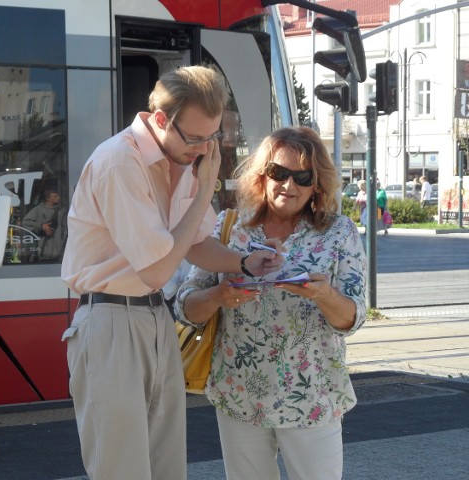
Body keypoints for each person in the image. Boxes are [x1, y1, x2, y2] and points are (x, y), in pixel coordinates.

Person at [60, 65, 284, 480]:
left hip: (153, 318)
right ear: (161, 119)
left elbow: (194, 243)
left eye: (211, 137)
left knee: (166, 469)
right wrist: (203, 191)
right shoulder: (119, 162)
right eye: (195, 138)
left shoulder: (176, 159)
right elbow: (158, 268)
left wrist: (243, 262)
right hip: (110, 317)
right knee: (121, 470)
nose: (202, 149)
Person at [174, 127, 367, 480]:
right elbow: (185, 306)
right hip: (239, 393)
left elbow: (353, 318)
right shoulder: (229, 227)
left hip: (311, 394)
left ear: (317, 184)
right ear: (262, 175)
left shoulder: (339, 232)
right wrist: (219, 296)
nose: (287, 185)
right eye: (279, 172)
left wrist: (324, 295)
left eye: (302, 176)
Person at [22, 187, 67, 260]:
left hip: (59, 247)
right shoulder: (38, 209)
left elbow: (65, 227)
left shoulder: (62, 211)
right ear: (47, 198)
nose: (58, 198)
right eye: (55, 196)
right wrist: (41, 226)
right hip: (43, 246)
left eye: (58, 196)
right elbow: (26, 222)